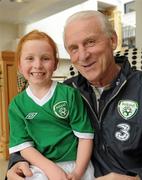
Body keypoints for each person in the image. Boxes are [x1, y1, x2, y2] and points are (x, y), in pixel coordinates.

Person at [6, 10, 142, 180]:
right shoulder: (68, 91)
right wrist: (16, 163)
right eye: (73, 48)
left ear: (112, 41)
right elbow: (36, 136)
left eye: (90, 42)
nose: (83, 56)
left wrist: (137, 179)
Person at [8, 30, 95, 180]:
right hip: (41, 165)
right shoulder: (17, 105)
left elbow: (85, 137)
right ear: (19, 66)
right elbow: (24, 146)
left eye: (45, 58)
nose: (38, 65)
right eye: (30, 58)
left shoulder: (69, 94)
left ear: (55, 64)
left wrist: (77, 172)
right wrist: (51, 169)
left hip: (76, 164)